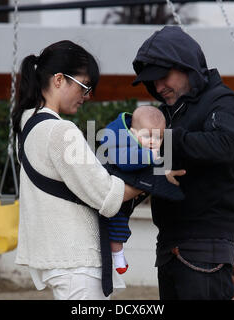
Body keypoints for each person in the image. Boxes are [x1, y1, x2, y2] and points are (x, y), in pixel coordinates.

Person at [12, 40, 143, 300]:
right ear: (59, 79)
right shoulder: (61, 131)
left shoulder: (26, 123)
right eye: (84, 87)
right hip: (77, 260)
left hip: (56, 258)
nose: (87, 96)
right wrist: (156, 178)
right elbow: (105, 195)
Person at [132, 26, 234, 300]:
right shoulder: (166, 113)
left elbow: (224, 145)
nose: (158, 87)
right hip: (168, 247)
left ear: (188, 66)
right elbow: (155, 167)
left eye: (163, 77)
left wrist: (166, 138)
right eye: (152, 81)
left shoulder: (223, 102)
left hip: (205, 247)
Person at [101, 105, 166, 274]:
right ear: (132, 133)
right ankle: (118, 256)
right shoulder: (122, 143)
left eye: (158, 137)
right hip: (109, 193)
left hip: (124, 195)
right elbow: (125, 162)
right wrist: (151, 157)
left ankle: (117, 254)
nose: (153, 141)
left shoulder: (143, 146)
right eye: (147, 136)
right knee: (117, 224)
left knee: (120, 223)